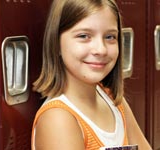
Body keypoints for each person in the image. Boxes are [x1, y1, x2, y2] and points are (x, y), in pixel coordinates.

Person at [31, 0, 152, 149]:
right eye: (84, 36)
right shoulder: (58, 119)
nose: (100, 49)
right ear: (56, 44)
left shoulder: (114, 101)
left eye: (110, 37)